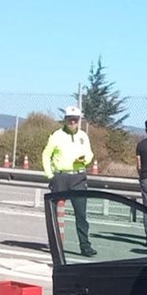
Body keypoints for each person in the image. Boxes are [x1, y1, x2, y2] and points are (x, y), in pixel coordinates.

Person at [42, 106, 96, 256]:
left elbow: (90, 154)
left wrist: (86, 159)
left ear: (79, 121)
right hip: (60, 177)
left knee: (81, 214)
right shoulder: (56, 135)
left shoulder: (83, 136)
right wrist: (49, 175)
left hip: (78, 177)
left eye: (75, 120)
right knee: (54, 214)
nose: (73, 122)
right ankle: (54, 244)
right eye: (70, 119)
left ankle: (85, 246)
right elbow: (46, 155)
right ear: (65, 120)